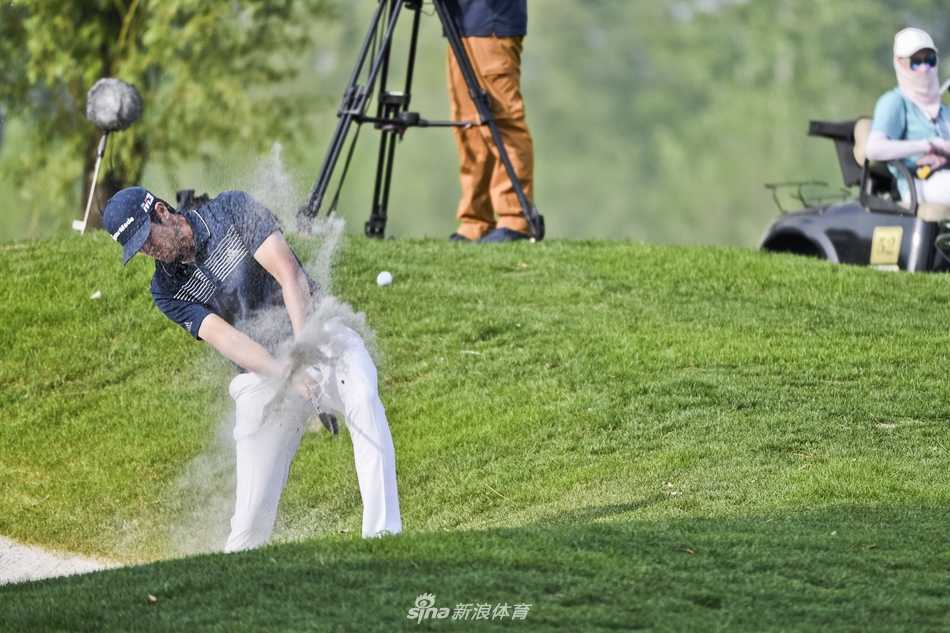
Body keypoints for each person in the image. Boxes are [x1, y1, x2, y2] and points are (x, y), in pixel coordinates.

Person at [102, 186, 402, 552]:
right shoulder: (165, 290)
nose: (148, 250)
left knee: (364, 397)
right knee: (248, 521)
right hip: (262, 374)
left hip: (316, 332)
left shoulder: (230, 210)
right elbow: (228, 340)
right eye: (138, 248)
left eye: (147, 238)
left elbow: (290, 275)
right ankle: (237, 572)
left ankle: (383, 538)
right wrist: (285, 372)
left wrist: (302, 354)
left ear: (162, 212)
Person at [444, 0, 536, 243]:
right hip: (459, 24)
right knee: (468, 126)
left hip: (492, 24)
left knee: (502, 122)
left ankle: (515, 218)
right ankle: (476, 220)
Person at [866, 27, 950, 210]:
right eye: (916, 62)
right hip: (918, 185)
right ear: (900, 63)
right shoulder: (894, 102)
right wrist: (926, 145)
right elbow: (873, 149)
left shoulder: (944, 111)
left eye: (930, 60)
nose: (924, 68)